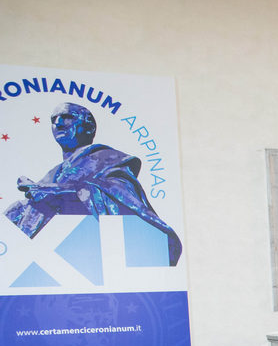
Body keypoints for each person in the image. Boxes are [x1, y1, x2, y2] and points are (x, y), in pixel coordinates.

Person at [5, 102, 182, 266]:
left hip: (90, 249)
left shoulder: (108, 159)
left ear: (89, 127)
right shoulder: (53, 173)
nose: (58, 123)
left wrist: (58, 191)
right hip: (50, 254)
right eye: (53, 119)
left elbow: (118, 196)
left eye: (67, 117)